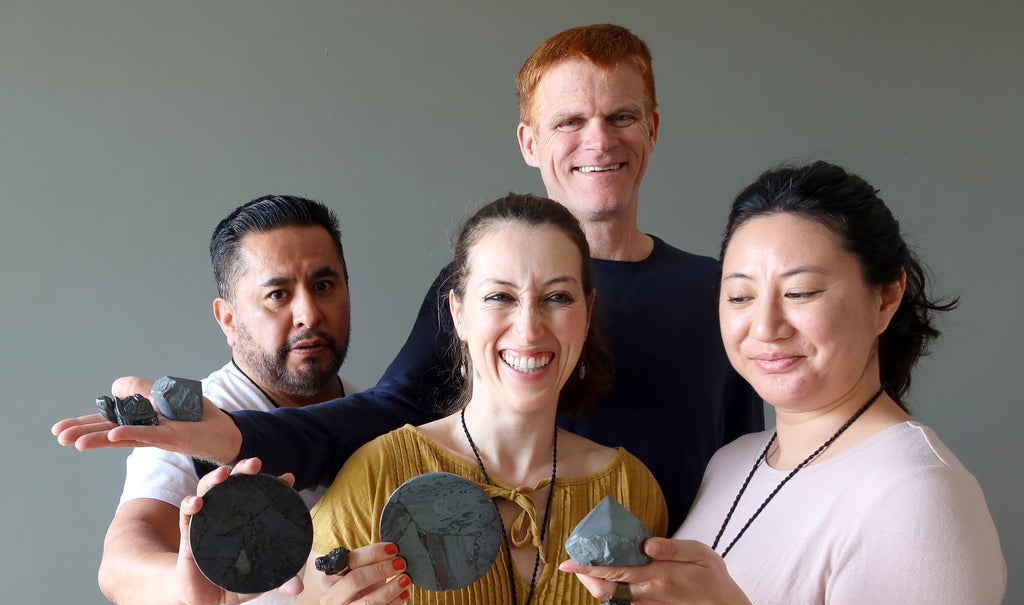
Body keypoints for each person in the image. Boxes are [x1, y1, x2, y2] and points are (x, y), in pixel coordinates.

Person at [52, 24, 762, 531]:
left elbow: (749, 473)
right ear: (529, 142)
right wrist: (236, 436)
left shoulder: (718, 294)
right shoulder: (472, 285)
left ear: (654, 128)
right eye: (570, 120)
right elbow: (384, 415)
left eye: (622, 116)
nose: (599, 140)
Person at [561, 161, 1006, 605]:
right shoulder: (734, 462)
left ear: (886, 297)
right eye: (740, 294)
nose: (765, 326)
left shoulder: (918, 494)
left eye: (800, 292)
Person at [270, 192, 668, 605]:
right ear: (458, 313)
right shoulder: (379, 474)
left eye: (557, 297)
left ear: (587, 309)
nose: (528, 327)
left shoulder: (632, 492)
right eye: (499, 297)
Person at [99, 194, 358, 605]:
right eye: (277, 294)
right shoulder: (192, 422)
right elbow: (122, 562)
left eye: (324, 285)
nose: (308, 314)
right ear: (227, 318)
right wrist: (187, 584)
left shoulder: (378, 426)